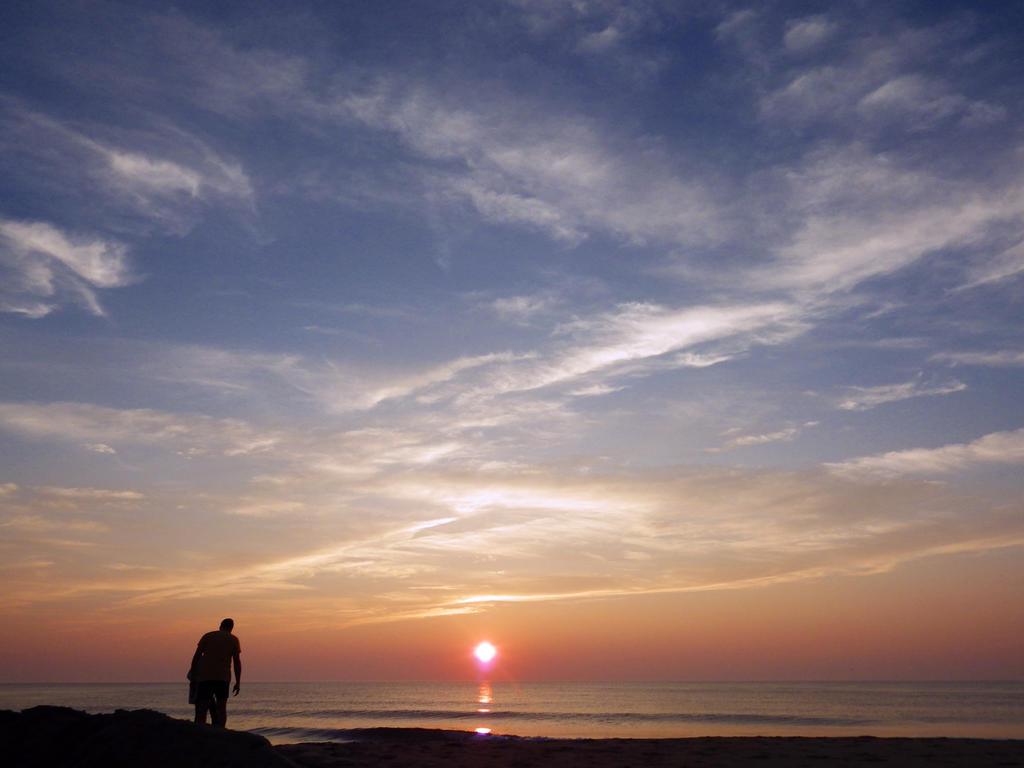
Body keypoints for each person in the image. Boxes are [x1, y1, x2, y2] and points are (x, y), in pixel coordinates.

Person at [188, 618, 241, 727]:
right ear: (231, 628)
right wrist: (238, 682)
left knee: (202, 706)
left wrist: (193, 675)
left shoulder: (208, 636)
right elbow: (237, 662)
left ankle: (200, 729)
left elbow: (196, 657)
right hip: (223, 677)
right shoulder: (233, 639)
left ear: (220, 626)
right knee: (221, 707)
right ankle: (221, 730)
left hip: (205, 676)